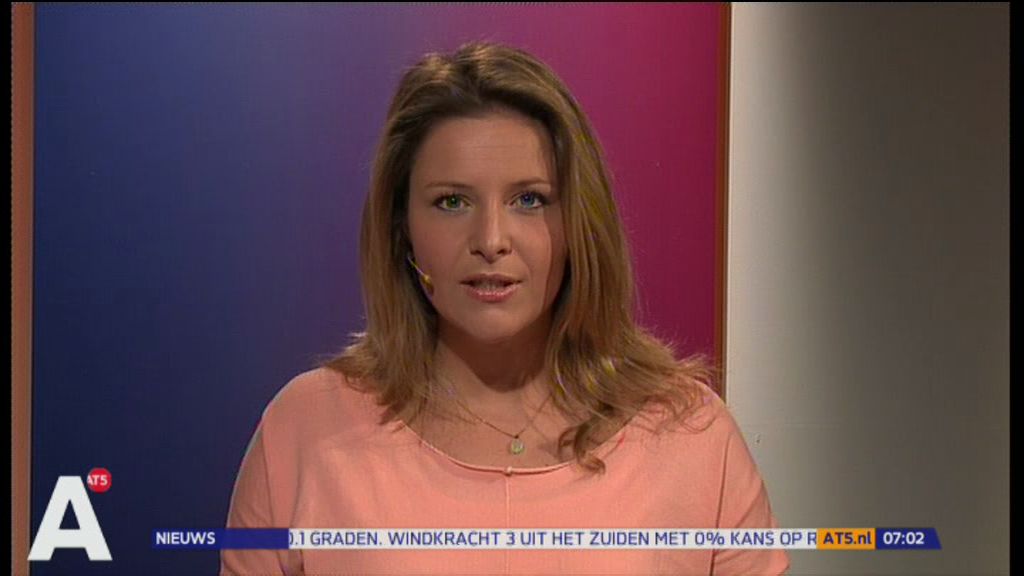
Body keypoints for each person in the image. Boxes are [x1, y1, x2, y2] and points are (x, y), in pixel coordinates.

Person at [221, 41, 788, 575]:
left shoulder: (691, 436)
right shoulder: (304, 431)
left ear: (579, 223)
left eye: (529, 200)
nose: (491, 240)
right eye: (452, 201)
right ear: (402, 228)